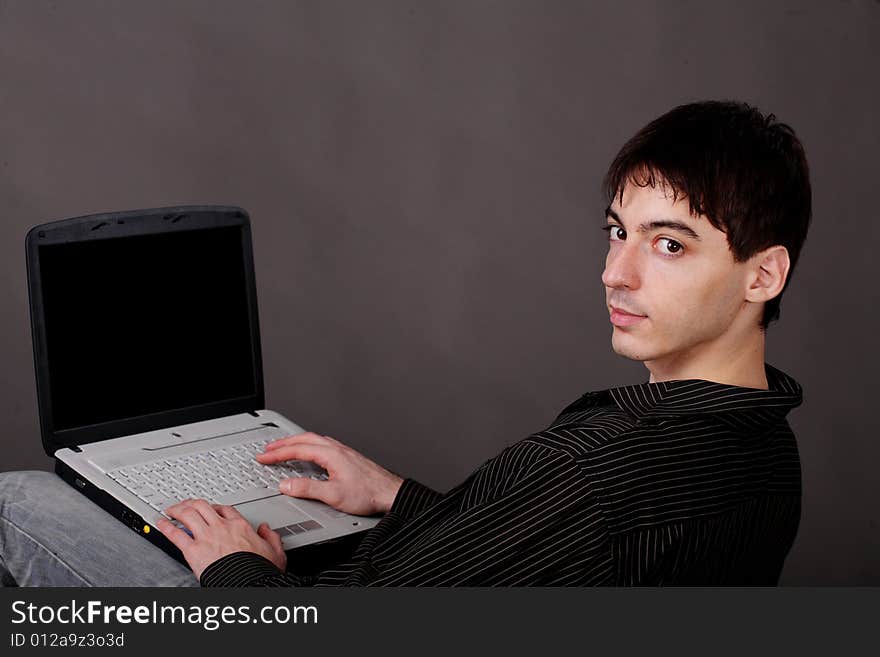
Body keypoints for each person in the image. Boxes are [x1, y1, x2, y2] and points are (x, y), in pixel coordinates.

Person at [0, 99, 811, 586]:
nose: (616, 273)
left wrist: (232, 567)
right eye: (616, 232)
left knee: (18, 500)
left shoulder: (589, 474)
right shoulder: (765, 451)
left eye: (668, 244)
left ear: (763, 274)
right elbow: (542, 562)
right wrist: (398, 496)